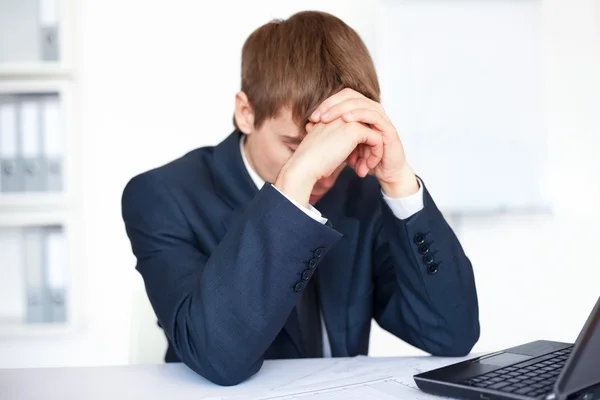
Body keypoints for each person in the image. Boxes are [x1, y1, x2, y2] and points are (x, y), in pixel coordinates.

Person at [121, 10, 479, 386]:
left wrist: (399, 181)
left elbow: (450, 335)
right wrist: (292, 188)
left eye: (333, 148)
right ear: (245, 113)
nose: (323, 172)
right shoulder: (162, 197)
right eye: (297, 147)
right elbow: (217, 358)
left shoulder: (361, 191)